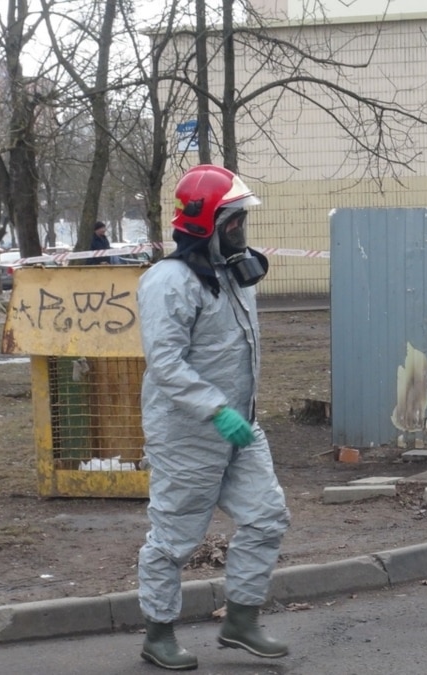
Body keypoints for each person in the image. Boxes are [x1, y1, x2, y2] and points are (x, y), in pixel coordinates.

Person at [135, 165, 289, 670]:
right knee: (175, 540)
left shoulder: (233, 275)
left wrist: (234, 417)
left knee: (267, 517)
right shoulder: (170, 282)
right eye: (235, 222)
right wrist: (216, 411)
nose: (242, 231)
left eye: (242, 221)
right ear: (208, 224)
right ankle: (158, 634)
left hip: (240, 429)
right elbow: (166, 365)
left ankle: (240, 621)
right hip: (188, 435)